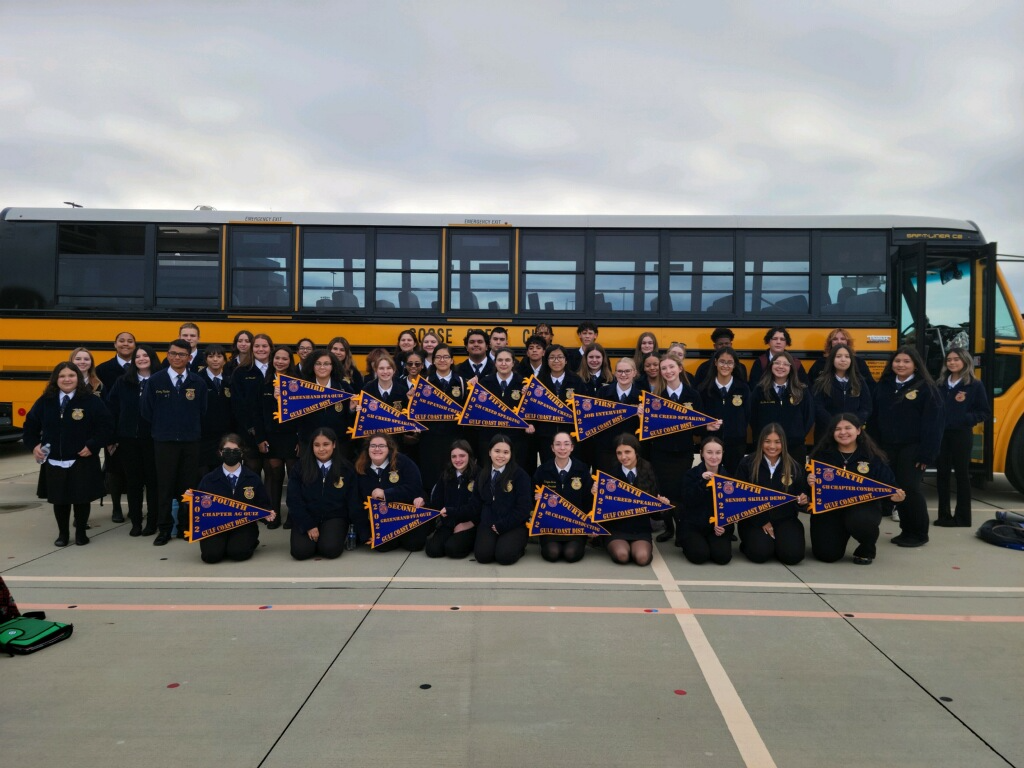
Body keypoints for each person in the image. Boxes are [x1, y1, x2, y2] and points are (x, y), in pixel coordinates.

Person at [23, 362, 114, 546]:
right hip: (55, 459)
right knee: (60, 500)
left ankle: (81, 533)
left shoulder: (91, 400)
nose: (67, 379)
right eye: (62, 376)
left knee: (81, 498)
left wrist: (93, 445)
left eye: (71, 376)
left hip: (82, 458)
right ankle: (63, 534)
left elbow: (106, 427)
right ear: (56, 379)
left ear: (78, 378)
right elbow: (30, 425)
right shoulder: (45, 401)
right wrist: (34, 446)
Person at [871, 346, 944, 547]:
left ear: (915, 365)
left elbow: (934, 425)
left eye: (906, 362)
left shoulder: (927, 388)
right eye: (897, 361)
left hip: (913, 448)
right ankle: (906, 530)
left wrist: (927, 454)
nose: (901, 365)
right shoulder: (884, 385)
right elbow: (875, 418)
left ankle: (919, 533)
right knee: (895, 489)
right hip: (887, 447)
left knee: (910, 489)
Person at [808, 414, 904, 565]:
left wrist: (896, 496)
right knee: (826, 555)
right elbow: (806, 490)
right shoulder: (822, 455)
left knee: (862, 521)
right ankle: (839, 534)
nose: (843, 432)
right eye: (837, 429)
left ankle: (866, 548)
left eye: (848, 428)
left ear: (858, 430)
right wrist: (809, 481)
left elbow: (890, 485)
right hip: (830, 511)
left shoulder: (872, 457)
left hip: (862, 509)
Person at [141, 338, 208, 545]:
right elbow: (146, 411)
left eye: (181, 355)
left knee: (188, 487)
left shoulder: (198, 382)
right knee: (165, 487)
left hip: (190, 442)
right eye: (172, 353)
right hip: (164, 442)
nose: (176, 357)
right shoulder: (155, 381)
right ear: (167, 355)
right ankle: (164, 529)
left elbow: (202, 411)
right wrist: (165, 427)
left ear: (189, 358)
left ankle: (184, 527)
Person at [106, 344, 160, 536]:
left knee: (153, 483)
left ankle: (152, 522)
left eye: (146, 355)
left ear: (152, 358)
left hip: (153, 440)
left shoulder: (161, 380)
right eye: (138, 356)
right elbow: (112, 409)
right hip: (128, 440)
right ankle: (136, 522)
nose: (142, 359)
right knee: (133, 482)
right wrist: (112, 437)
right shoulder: (123, 381)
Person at [735, 424, 809, 565]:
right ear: (761, 442)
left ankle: (778, 543)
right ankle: (752, 544)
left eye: (777, 442)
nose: (772, 446)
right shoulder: (747, 463)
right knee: (760, 554)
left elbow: (802, 494)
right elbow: (740, 497)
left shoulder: (794, 466)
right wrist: (762, 520)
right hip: (754, 519)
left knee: (793, 556)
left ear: (784, 443)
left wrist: (803, 500)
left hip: (785, 518)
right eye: (767, 441)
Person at [195, 435, 275, 564]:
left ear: (242, 453)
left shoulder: (252, 478)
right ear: (220, 452)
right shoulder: (209, 479)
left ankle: (249, 540)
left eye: (235, 451)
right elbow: (199, 508)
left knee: (238, 553)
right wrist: (190, 502)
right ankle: (223, 544)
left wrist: (267, 513)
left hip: (243, 525)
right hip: (216, 525)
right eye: (227, 450)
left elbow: (262, 503)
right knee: (211, 556)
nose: (231, 454)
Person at [287, 428, 361, 560]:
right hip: (307, 516)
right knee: (301, 552)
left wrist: (359, 530)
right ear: (312, 446)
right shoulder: (300, 467)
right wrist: (308, 525)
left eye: (325, 444)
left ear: (334, 444)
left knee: (330, 550)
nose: (321, 449)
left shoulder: (346, 468)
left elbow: (353, 500)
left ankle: (329, 537)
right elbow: (293, 499)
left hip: (334, 517)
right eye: (317, 445)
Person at [935, 348, 989, 528]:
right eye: (949, 360)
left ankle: (963, 518)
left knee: (961, 475)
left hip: (961, 434)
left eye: (956, 359)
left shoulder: (974, 384)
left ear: (965, 361)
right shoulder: (941, 384)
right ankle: (943, 515)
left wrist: (965, 419)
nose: (951, 363)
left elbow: (984, 412)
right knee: (942, 474)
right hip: (942, 434)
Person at [598, 434, 669, 566]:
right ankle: (607, 542)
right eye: (619, 453)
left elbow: (655, 514)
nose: (623, 457)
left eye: (627, 452)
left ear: (636, 451)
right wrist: (595, 494)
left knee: (642, 558)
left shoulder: (648, 470)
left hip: (640, 529)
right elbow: (602, 508)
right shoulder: (610, 471)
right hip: (616, 528)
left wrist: (662, 506)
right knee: (622, 556)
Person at [354, 433, 426, 551]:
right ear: (368, 449)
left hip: (405, 517)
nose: (377, 449)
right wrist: (365, 533)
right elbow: (356, 501)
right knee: (381, 547)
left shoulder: (403, 462)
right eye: (373, 446)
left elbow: (415, 487)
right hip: (380, 520)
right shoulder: (360, 467)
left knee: (414, 544)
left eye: (382, 446)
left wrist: (386, 494)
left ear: (389, 448)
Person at [472, 434, 533, 565]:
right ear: (489, 452)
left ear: (511, 454)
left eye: (506, 452)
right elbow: (476, 503)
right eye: (497, 451)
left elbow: (524, 508)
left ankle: (520, 547)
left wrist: (503, 525)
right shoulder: (482, 474)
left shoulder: (520, 475)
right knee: (483, 556)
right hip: (489, 523)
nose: (501, 456)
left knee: (504, 557)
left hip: (513, 524)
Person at [533, 431, 592, 563]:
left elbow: (589, 500)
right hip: (550, 526)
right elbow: (532, 497)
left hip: (575, 526)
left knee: (571, 554)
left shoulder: (582, 469)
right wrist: (537, 499)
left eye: (566, 444)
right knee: (552, 554)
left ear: (572, 447)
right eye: (558, 444)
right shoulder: (543, 470)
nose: (562, 448)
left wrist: (589, 523)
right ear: (552, 448)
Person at [418, 344, 469, 492]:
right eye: (438, 357)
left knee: (453, 476)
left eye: (446, 357)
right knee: (431, 477)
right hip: (430, 440)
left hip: (454, 439)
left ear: (452, 360)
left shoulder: (462, 383)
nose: (442, 360)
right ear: (433, 361)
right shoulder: (424, 382)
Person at [751, 351, 813, 466]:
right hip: (767, 447)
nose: (780, 366)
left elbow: (808, 416)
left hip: (795, 447)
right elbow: (752, 416)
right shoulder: (760, 390)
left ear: (791, 368)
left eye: (785, 364)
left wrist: (797, 435)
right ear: (771, 366)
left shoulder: (801, 391)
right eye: (777, 363)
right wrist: (763, 437)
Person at [679, 436, 734, 565]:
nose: (714, 457)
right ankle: (686, 542)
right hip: (693, 526)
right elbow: (688, 502)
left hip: (716, 527)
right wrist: (702, 483)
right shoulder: (691, 475)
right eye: (709, 452)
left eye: (718, 453)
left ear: (723, 454)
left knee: (723, 557)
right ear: (702, 454)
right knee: (699, 556)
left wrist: (724, 526)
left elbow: (732, 508)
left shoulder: (728, 478)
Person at [476, 348, 532, 465]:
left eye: (507, 360)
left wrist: (530, 423)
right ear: (495, 363)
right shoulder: (484, 383)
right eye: (500, 360)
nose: (503, 363)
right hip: (489, 438)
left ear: (513, 363)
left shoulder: (524, 384)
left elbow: (532, 411)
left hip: (516, 439)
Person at [424, 440, 480, 559]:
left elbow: (480, 506)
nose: (458, 460)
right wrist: (423, 502)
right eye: (454, 456)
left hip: (470, 523)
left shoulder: (479, 475)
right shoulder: (446, 475)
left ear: (469, 455)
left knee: (453, 549)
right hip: (448, 522)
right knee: (432, 550)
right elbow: (437, 501)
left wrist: (471, 523)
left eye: (462, 455)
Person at [701, 346, 751, 475]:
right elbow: (699, 419)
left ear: (734, 365)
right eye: (722, 361)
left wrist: (737, 431)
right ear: (715, 362)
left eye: (730, 362)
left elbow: (748, 416)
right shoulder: (704, 389)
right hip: (711, 445)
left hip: (736, 445)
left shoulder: (743, 389)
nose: (725, 366)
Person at [531, 344, 584, 466]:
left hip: (571, 436)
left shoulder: (576, 381)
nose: (556, 361)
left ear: (566, 360)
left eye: (560, 357)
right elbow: (531, 409)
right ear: (546, 360)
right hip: (546, 436)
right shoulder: (539, 382)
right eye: (552, 357)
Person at [231, 333, 273, 473]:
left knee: (272, 470)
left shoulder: (277, 370)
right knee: (252, 469)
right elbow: (238, 405)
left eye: (264, 346)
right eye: (257, 346)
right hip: (249, 432)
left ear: (271, 348)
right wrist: (252, 429)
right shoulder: (241, 372)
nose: (261, 349)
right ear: (251, 348)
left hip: (273, 431)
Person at [811, 343, 872, 440]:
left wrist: (853, 424)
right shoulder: (821, 381)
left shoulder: (859, 381)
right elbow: (818, 407)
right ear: (832, 360)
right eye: (838, 356)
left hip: (852, 434)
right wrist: (835, 424)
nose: (843, 359)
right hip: (826, 433)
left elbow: (866, 407)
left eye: (847, 356)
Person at [595, 358, 644, 472]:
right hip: (607, 451)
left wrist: (643, 417)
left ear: (634, 373)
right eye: (620, 371)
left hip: (632, 452)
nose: (623, 374)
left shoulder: (643, 396)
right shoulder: (603, 392)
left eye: (627, 371)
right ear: (615, 373)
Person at [198, 344, 235, 476]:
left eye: (219, 356)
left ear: (224, 360)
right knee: (203, 473)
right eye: (211, 356)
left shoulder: (229, 380)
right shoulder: (197, 380)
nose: (215, 359)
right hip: (203, 436)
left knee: (221, 473)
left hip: (224, 436)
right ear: (206, 359)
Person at [807, 328, 875, 391]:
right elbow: (810, 385)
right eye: (835, 339)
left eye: (843, 339)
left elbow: (870, 387)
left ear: (847, 342)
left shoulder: (859, 363)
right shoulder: (820, 363)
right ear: (830, 343)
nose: (839, 342)